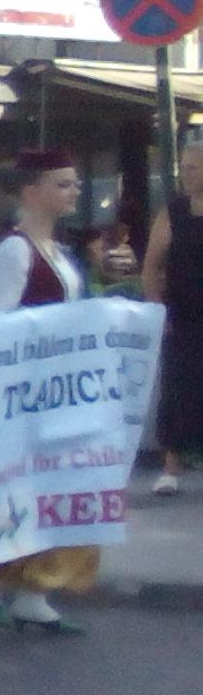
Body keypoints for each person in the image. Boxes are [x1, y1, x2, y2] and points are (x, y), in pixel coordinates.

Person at [0, 151, 98, 634]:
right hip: (27, 389)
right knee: (16, 486)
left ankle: (34, 589)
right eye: (63, 184)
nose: (74, 192)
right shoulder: (16, 251)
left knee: (52, 487)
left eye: (75, 183)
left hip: (59, 388)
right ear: (30, 191)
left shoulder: (57, 249)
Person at [146, 138, 203, 497]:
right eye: (186, 168)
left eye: (195, 168)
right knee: (178, 387)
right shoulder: (172, 213)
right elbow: (152, 265)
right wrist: (156, 307)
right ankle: (171, 465)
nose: (188, 176)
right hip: (182, 313)